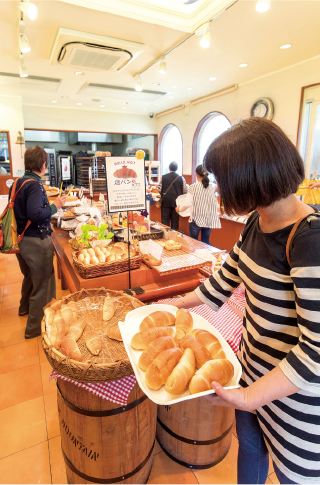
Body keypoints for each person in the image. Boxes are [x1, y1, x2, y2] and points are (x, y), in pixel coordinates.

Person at [168, 118, 320, 485]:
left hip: (294, 402)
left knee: (291, 476)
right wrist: (174, 306)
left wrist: (252, 397)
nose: (217, 189)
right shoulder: (257, 222)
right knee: (250, 453)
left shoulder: (309, 241)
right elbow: (222, 282)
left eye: (221, 180)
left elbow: (316, 350)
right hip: (250, 373)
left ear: (250, 178)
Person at [9, 146, 67, 339]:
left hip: (20, 240)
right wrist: (55, 206)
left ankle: (24, 309)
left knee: (29, 277)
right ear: (43, 165)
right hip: (36, 240)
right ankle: (35, 327)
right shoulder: (34, 184)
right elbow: (35, 214)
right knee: (43, 283)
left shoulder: (18, 182)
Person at [176, 164, 221, 245]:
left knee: (193, 243)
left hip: (196, 219)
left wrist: (179, 209)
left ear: (196, 174)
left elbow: (187, 204)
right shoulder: (211, 187)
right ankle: (206, 257)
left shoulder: (193, 187)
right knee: (206, 243)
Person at [158, 161, 187, 230]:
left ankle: (165, 238)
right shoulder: (181, 178)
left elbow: (159, 189)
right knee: (175, 221)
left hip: (165, 202)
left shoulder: (163, 177)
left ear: (169, 168)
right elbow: (185, 190)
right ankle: (173, 238)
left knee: (165, 222)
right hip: (177, 203)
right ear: (176, 169)